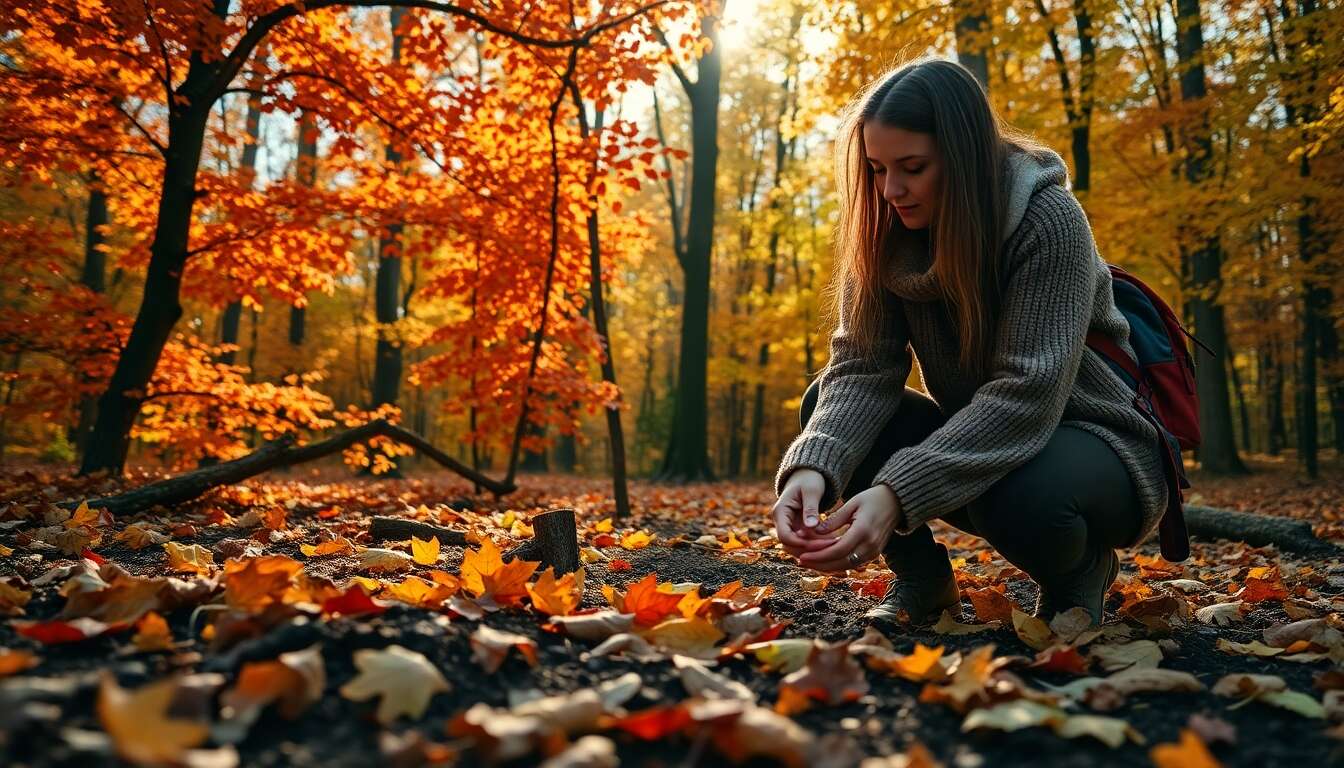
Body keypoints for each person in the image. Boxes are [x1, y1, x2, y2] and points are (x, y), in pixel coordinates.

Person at [770, 58, 1169, 628]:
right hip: (990, 441)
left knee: (1022, 494)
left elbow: (1026, 394)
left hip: (1100, 446)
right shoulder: (885, 226)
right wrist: (813, 468)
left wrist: (895, 492)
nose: (891, 190)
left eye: (913, 167)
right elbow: (861, 366)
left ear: (964, 160)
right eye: (878, 168)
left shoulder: (1047, 220)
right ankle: (923, 583)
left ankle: (1078, 572)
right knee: (824, 410)